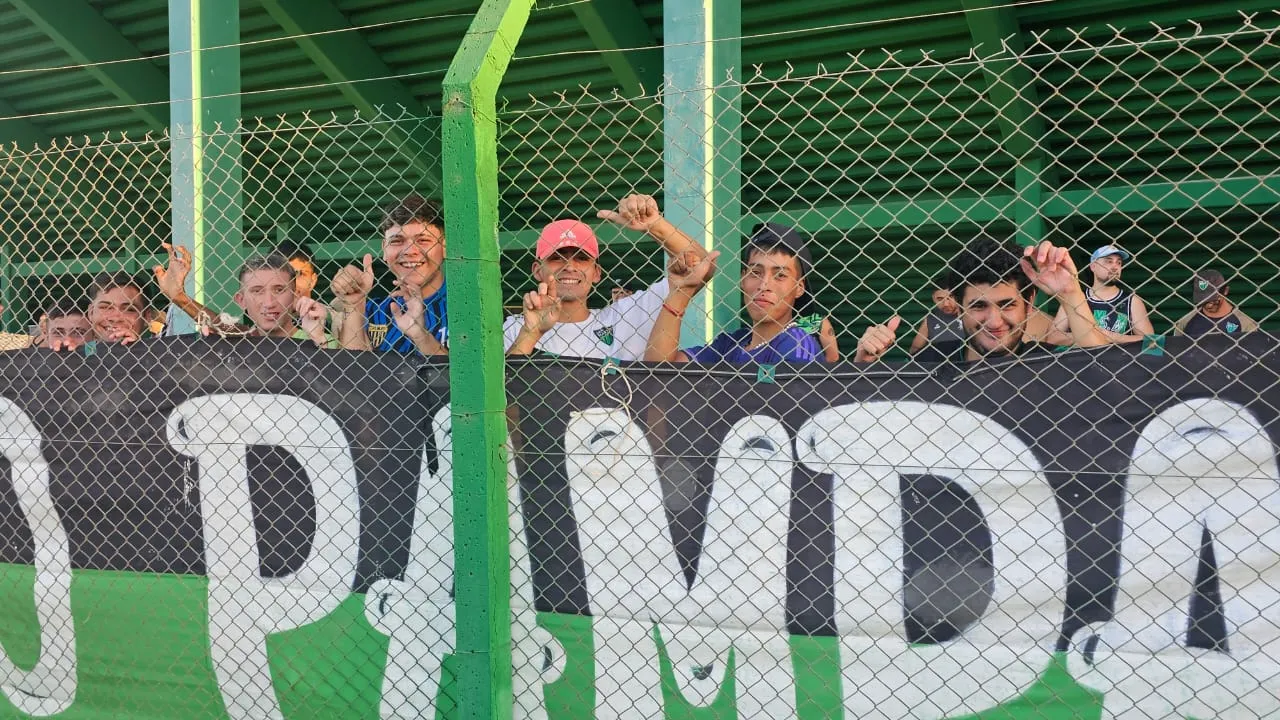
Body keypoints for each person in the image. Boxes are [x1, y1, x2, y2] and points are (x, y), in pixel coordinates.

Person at [505, 194, 707, 359]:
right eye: (557, 258)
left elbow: (701, 267)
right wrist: (531, 333)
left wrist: (655, 226)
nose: (569, 266)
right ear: (537, 270)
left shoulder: (625, 316)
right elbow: (506, 405)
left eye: (582, 258)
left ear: (596, 273)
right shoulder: (517, 327)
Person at [855, 236, 1110, 363]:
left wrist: (1071, 294)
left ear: (1029, 303)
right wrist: (861, 365)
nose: (994, 321)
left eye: (1007, 304)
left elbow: (1109, 374)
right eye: (978, 306)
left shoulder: (1046, 363)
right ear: (958, 307)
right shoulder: (935, 360)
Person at [644, 222, 823, 364]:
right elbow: (660, 373)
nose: (764, 285)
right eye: (755, 272)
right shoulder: (732, 343)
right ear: (743, 278)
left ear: (799, 287)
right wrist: (681, 291)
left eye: (780, 275)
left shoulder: (798, 345)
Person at [329, 193, 447, 355]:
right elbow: (351, 374)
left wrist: (421, 335)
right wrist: (354, 304)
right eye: (397, 241)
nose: (409, 251)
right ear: (384, 249)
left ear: (444, 247)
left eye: (423, 240)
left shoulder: (467, 308)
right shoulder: (374, 312)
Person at [153, 246, 333, 347]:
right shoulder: (241, 342)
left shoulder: (326, 342)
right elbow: (220, 324)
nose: (269, 303)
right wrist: (179, 297)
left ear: (294, 295)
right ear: (241, 300)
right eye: (257, 291)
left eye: (279, 290)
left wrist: (318, 341)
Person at [1051, 245, 1153, 342]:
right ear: (1093, 266)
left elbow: (1151, 341)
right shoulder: (1075, 298)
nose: (1115, 267)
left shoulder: (1131, 301)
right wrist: (1089, 335)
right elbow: (1052, 337)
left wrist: (1112, 337)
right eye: (1108, 261)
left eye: (1119, 263)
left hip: (1118, 359)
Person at [1173, 269, 1259, 337]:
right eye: (1203, 300)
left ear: (1225, 291)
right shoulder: (1185, 323)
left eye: (1213, 299)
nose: (1209, 305)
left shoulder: (1245, 324)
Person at [909, 275, 965, 361]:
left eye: (951, 297)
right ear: (933, 299)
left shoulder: (969, 316)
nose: (946, 304)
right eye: (940, 299)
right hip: (940, 368)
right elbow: (915, 349)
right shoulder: (931, 319)